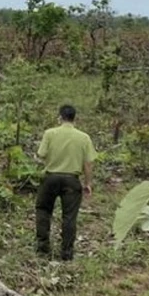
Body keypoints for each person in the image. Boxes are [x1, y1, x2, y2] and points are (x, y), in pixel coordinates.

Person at [34, 104, 97, 260]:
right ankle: (67, 253)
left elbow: (41, 154)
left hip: (50, 178)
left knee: (43, 210)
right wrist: (88, 183)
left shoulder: (50, 133)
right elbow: (88, 163)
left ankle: (42, 248)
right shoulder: (84, 137)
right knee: (69, 217)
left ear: (60, 117)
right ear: (75, 118)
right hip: (71, 180)